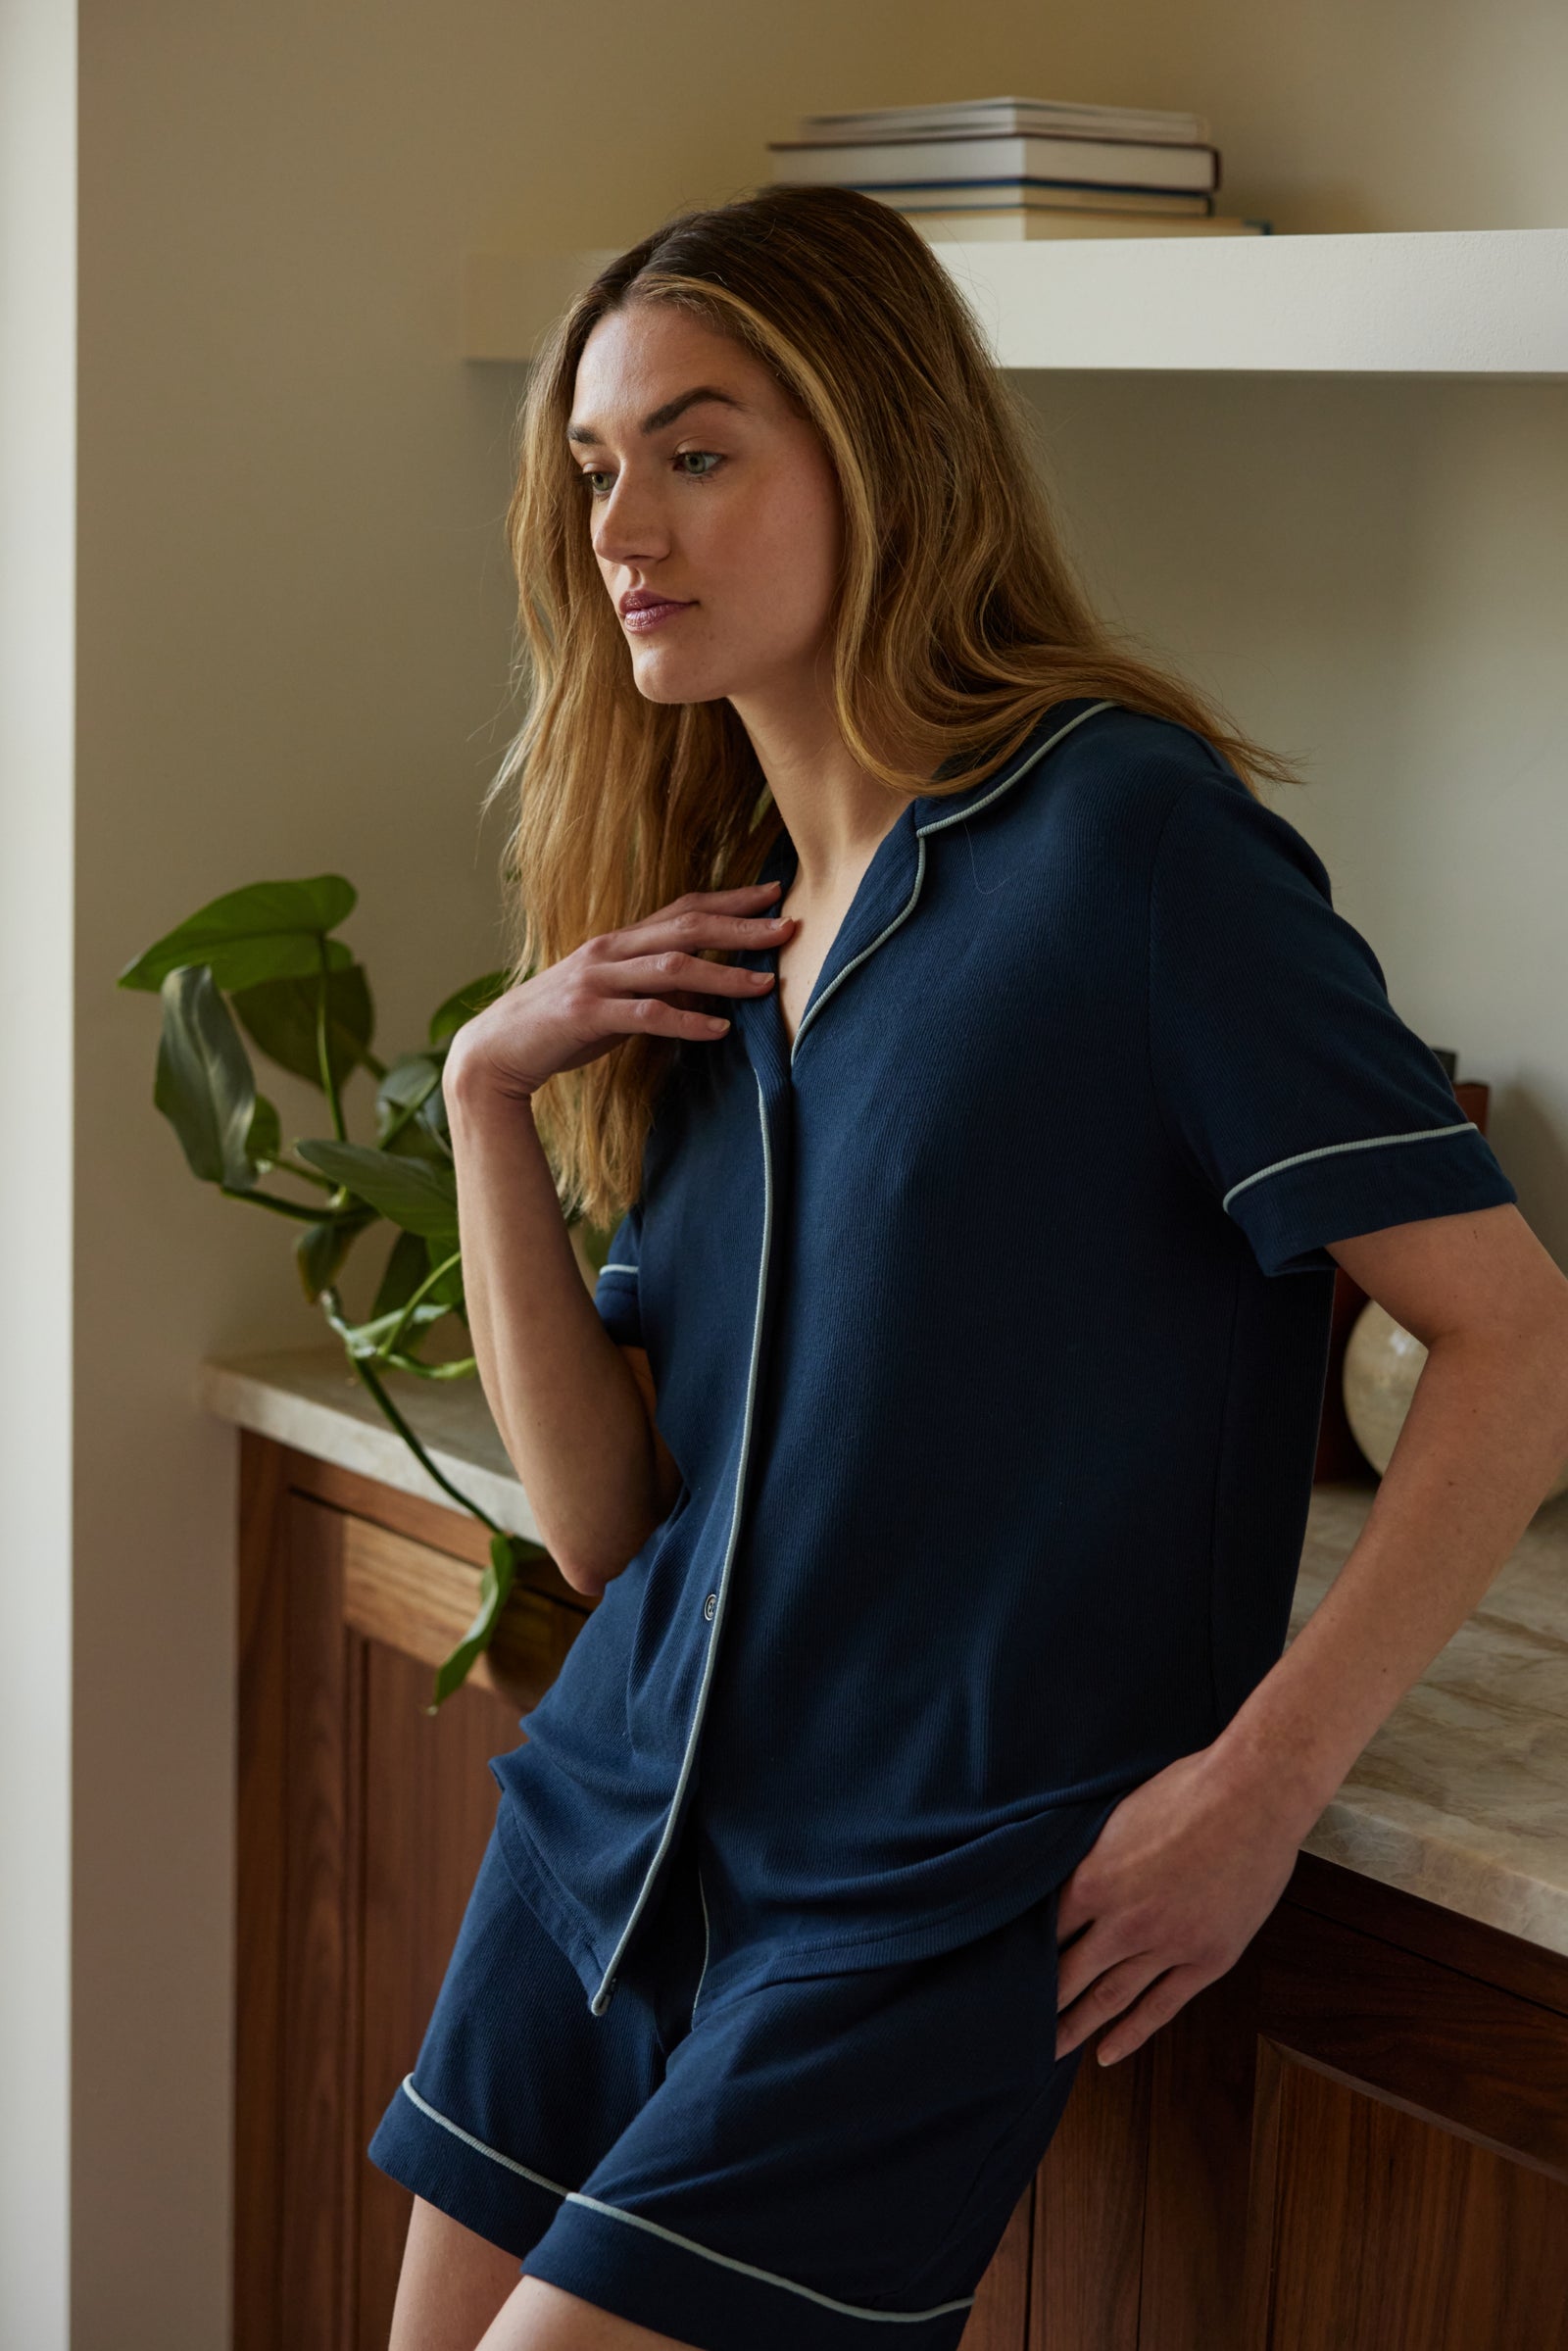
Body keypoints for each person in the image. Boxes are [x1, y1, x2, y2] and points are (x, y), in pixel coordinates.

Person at [367, 184, 1568, 2351]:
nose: (620, 520)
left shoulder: (1127, 847)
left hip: (915, 1905)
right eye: (592, 463)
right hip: (612, 1830)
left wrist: (1261, 1782)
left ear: (884, 457)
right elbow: (607, 1519)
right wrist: (481, 1098)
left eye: (698, 449)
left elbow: (1511, 1338)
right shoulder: (716, 929)